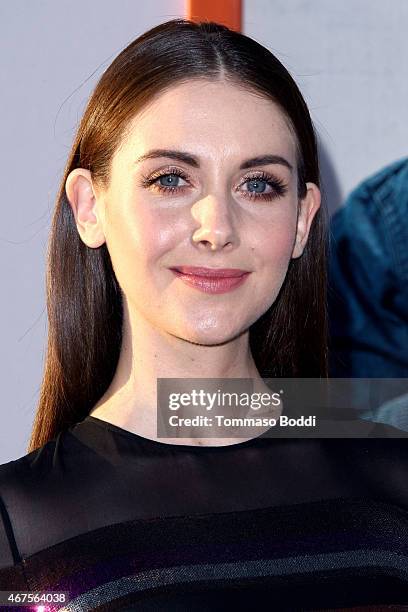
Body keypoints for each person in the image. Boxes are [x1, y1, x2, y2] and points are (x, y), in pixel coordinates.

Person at [0, 19, 407, 611]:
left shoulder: (395, 484)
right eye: (170, 180)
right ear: (90, 207)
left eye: (259, 185)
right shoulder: (16, 524)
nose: (216, 227)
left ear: (302, 221)